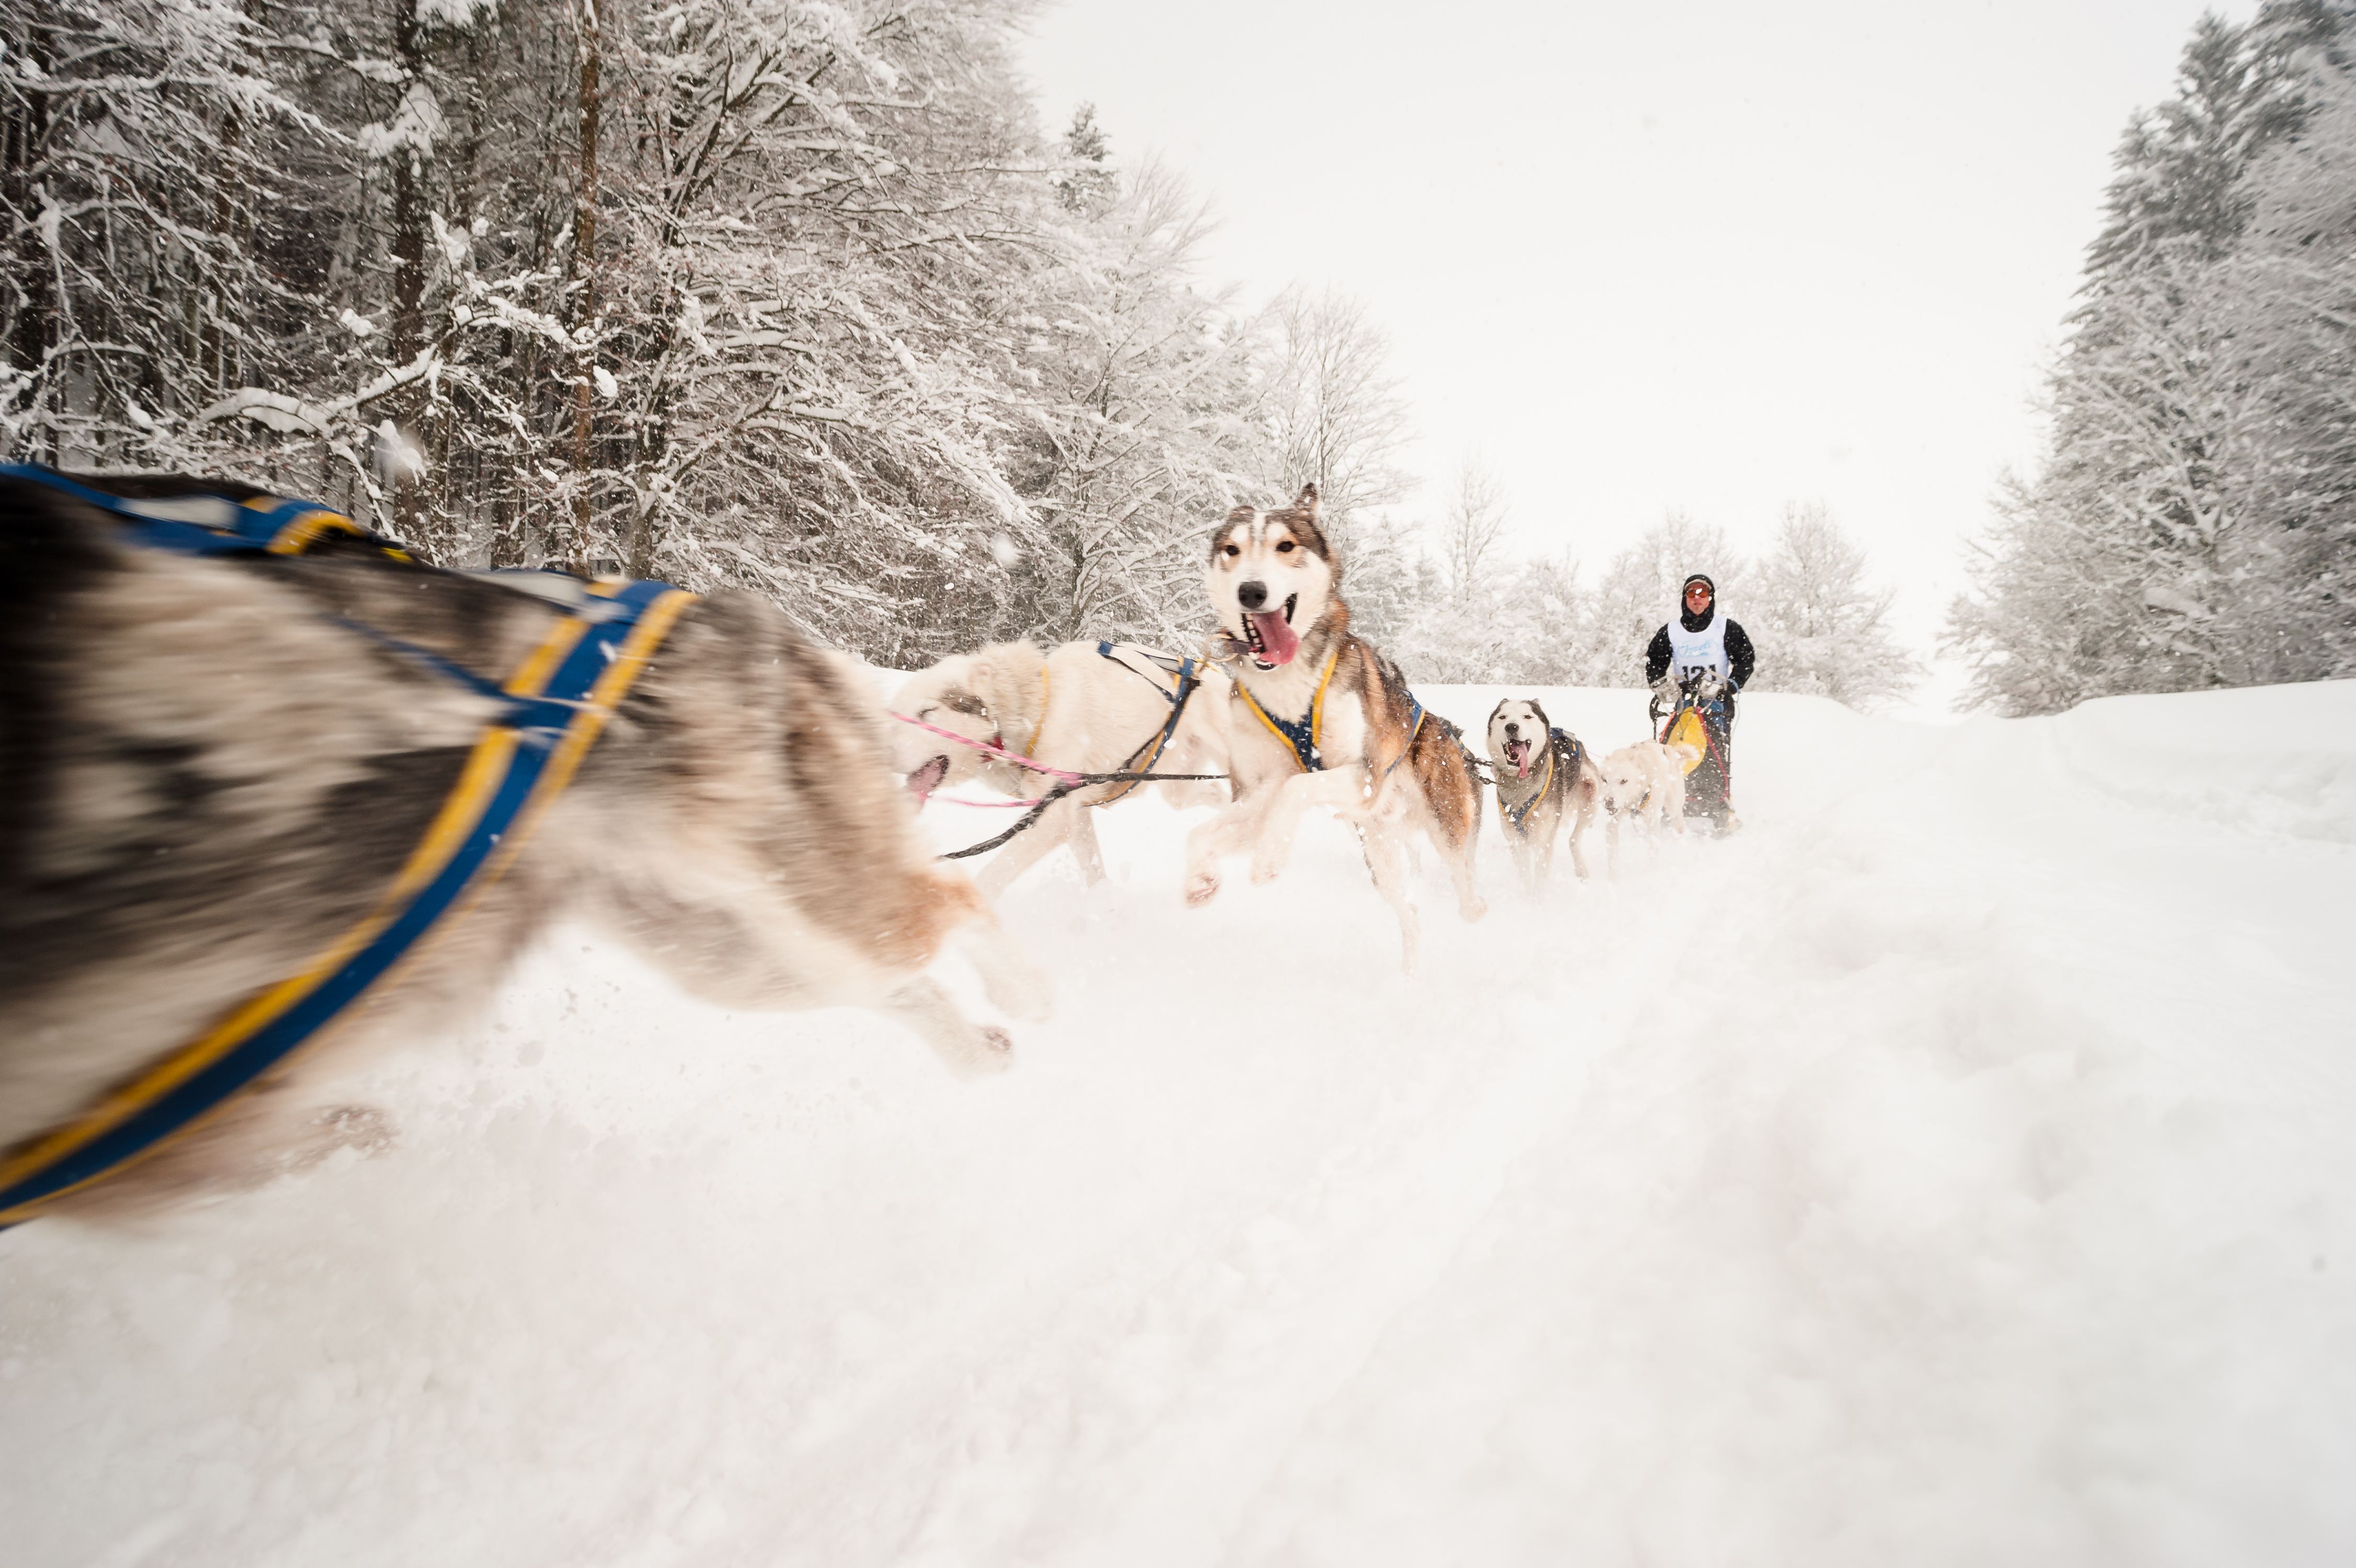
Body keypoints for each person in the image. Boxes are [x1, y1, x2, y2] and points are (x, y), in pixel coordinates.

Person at [1643, 574, 1755, 829]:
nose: (1697, 599)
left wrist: (1731, 686)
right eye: (1692, 594)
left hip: (1715, 702)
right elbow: (1655, 662)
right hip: (1684, 702)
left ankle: (1717, 804)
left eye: (1703, 594)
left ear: (1710, 598)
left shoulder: (1726, 628)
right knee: (1673, 751)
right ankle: (1672, 802)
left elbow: (1745, 659)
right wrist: (1661, 685)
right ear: (1685, 598)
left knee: (1715, 753)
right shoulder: (1671, 631)